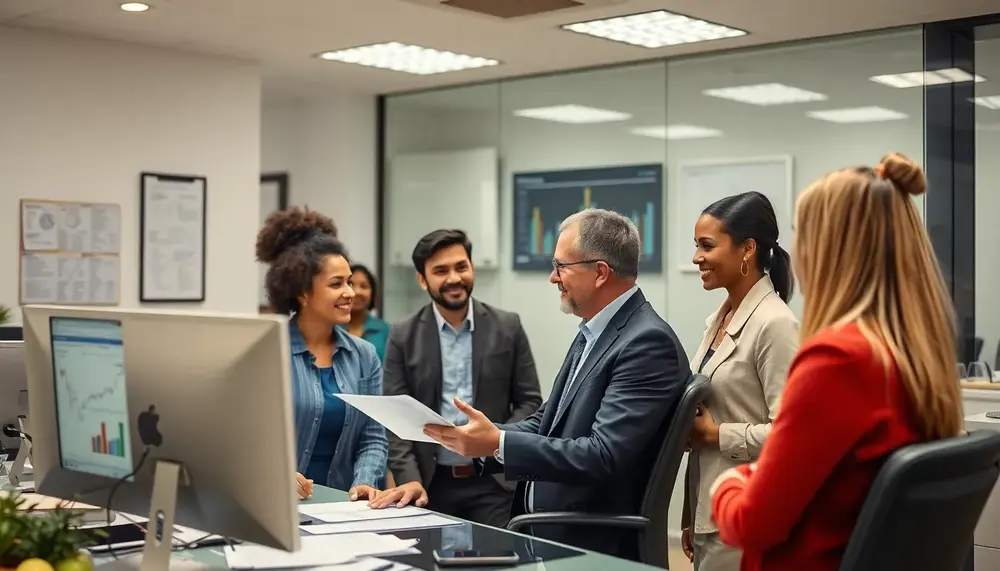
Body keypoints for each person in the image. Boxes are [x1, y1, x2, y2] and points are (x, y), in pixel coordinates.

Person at [710, 153, 964, 571]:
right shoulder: (912, 355)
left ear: (830, 249)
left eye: (802, 236)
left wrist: (728, 483)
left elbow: (754, 523)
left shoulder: (838, 361)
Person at [418, 209, 689, 559]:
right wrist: (481, 439)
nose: (552, 278)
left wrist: (499, 442)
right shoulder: (595, 330)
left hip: (587, 540)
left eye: (562, 266)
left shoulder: (647, 342)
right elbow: (547, 422)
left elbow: (602, 455)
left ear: (600, 273)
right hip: (546, 528)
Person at [371, 229, 542, 527]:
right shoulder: (403, 335)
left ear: (471, 267)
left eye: (461, 266)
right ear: (422, 279)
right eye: (440, 270)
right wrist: (409, 479)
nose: (454, 278)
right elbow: (395, 420)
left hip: (494, 483)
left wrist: (494, 442)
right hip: (429, 486)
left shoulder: (507, 326)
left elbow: (529, 402)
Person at [681, 192, 799, 571]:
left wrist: (717, 436)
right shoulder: (720, 319)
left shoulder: (775, 324)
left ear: (747, 249)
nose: (697, 256)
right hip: (709, 508)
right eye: (696, 245)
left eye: (707, 246)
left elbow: (790, 437)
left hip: (745, 513)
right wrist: (690, 513)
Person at [255, 206, 388, 501]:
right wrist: (276, 473)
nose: (350, 293)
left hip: (344, 508)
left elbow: (373, 435)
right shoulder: (266, 353)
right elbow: (246, 436)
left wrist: (365, 482)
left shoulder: (364, 355)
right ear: (303, 292)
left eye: (350, 282)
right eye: (336, 284)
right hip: (277, 504)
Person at [341, 264, 390, 362]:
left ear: (372, 293)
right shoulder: (330, 328)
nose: (357, 292)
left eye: (364, 286)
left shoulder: (385, 330)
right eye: (350, 284)